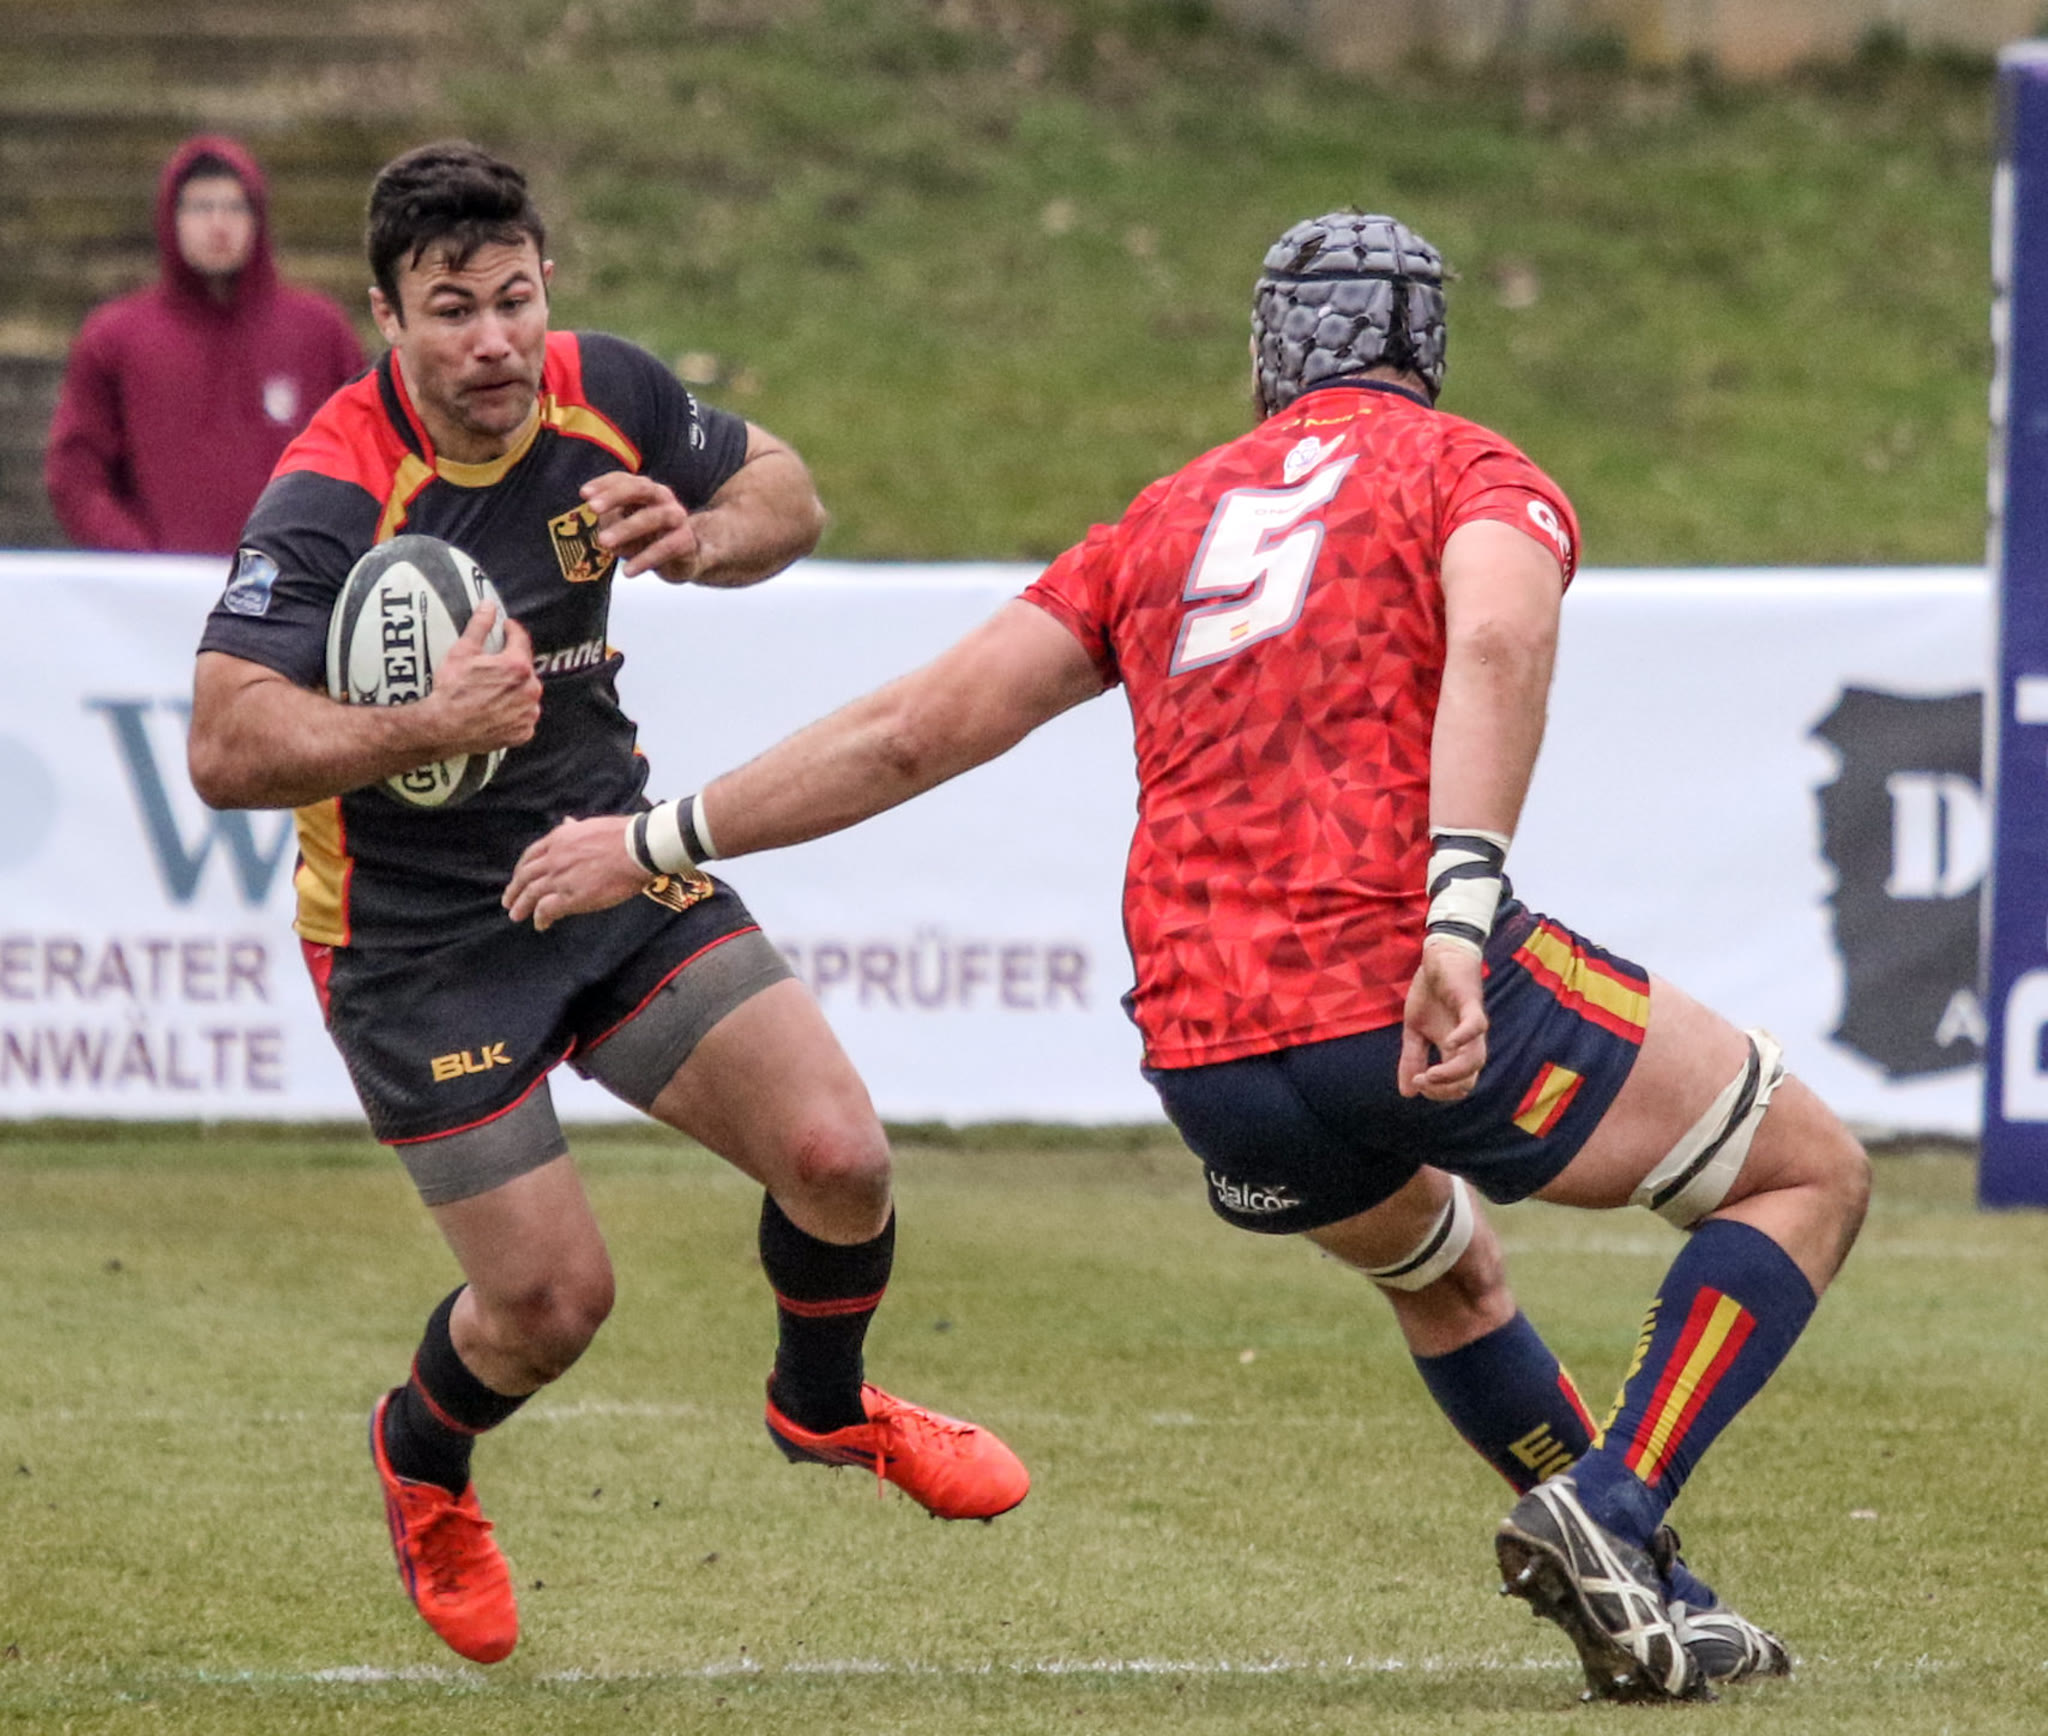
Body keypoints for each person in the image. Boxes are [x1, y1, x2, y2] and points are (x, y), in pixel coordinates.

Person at [504, 211, 1871, 1704]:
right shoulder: (1473, 469)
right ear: (1427, 346)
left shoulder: (1160, 522)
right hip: (1388, 974)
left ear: (1268, 352)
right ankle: (1614, 1505)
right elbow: (1495, 644)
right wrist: (1459, 914)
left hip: (1206, 1047)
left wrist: (654, 838)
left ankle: (1651, 1598)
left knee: (1447, 1272)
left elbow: (911, 732)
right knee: (1805, 1171)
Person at [185, 141, 1027, 1668]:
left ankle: (824, 1407)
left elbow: (787, 492)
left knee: (838, 1157)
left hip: (608, 864)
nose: (492, 340)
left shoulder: (606, 390)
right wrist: (422, 727)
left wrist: (706, 540)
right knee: (552, 1306)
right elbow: (225, 745)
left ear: (547, 287)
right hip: (417, 945)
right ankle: (423, 1462)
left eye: (513, 299)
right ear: (389, 318)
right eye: (452, 311)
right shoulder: (332, 492)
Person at [45, 134, 366, 556]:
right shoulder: (114, 337)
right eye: (201, 207)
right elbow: (75, 475)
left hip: (292, 583)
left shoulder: (320, 331)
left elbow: (365, 455)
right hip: (158, 587)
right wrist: (142, 564)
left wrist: (313, 556)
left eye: (235, 207)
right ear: (170, 217)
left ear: (258, 218)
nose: (219, 224)